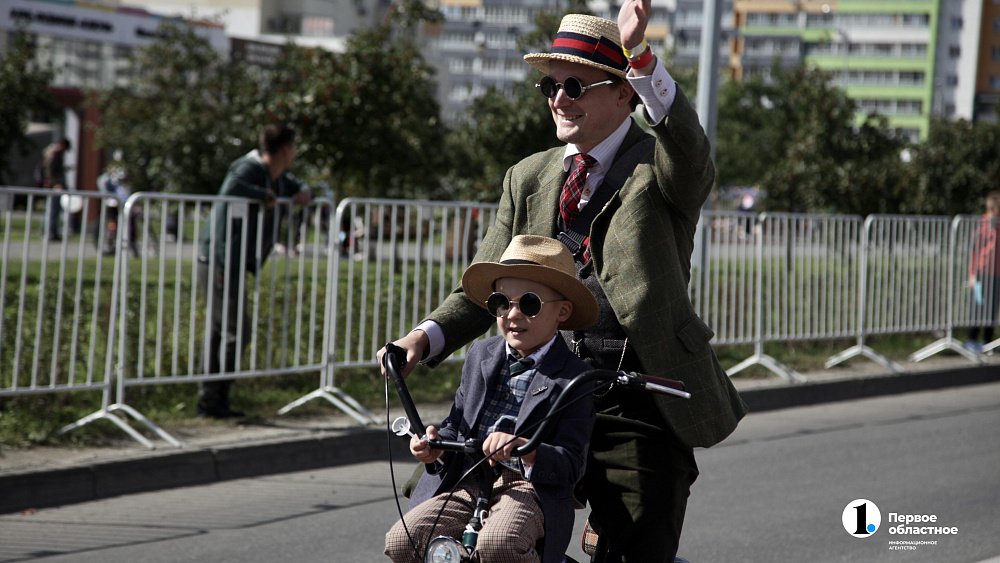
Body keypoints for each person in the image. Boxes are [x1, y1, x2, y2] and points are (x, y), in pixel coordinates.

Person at [378, 5, 747, 562]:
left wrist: (640, 57)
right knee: (450, 535)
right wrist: (421, 339)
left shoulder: (661, 167)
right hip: (541, 387)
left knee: (641, 544)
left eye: (574, 85)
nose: (558, 99)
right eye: (550, 86)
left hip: (635, 393)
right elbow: (481, 287)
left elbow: (692, 153)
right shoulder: (528, 176)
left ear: (622, 93)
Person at [385, 235, 599, 563]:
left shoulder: (574, 375)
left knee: (499, 543)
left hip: (527, 487)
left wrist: (527, 449)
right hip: (468, 477)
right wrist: (434, 445)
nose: (512, 315)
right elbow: (457, 425)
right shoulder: (481, 354)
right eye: (501, 303)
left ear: (563, 311)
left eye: (529, 304)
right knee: (404, 539)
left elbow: (571, 465)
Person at [197, 124, 311, 418]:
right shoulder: (248, 168)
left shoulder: (276, 176)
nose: (294, 153)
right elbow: (231, 187)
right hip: (219, 259)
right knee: (235, 330)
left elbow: (296, 186)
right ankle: (212, 400)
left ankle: (213, 400)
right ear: (285, 149)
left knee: (224, 330)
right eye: (293, 148)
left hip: (232, 262)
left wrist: (302, 191)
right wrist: (263, 196)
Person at [965, 191, 1000, 354]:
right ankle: (972, 339)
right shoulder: (982, 226)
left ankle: (988, 341)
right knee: (978, 306)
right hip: (981, 272)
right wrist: (972, 274)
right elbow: (975, 251)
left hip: (996, 273)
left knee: (992, 309)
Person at [41, 138, 71, 241]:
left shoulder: (54, 153)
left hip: (53, 185)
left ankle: (50, 231)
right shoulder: (55, 153)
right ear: (63, 145)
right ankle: (50, 232)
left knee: (53, 210)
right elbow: (50, 170)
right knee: (53, 210)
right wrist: (56, 183)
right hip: (54, 186)